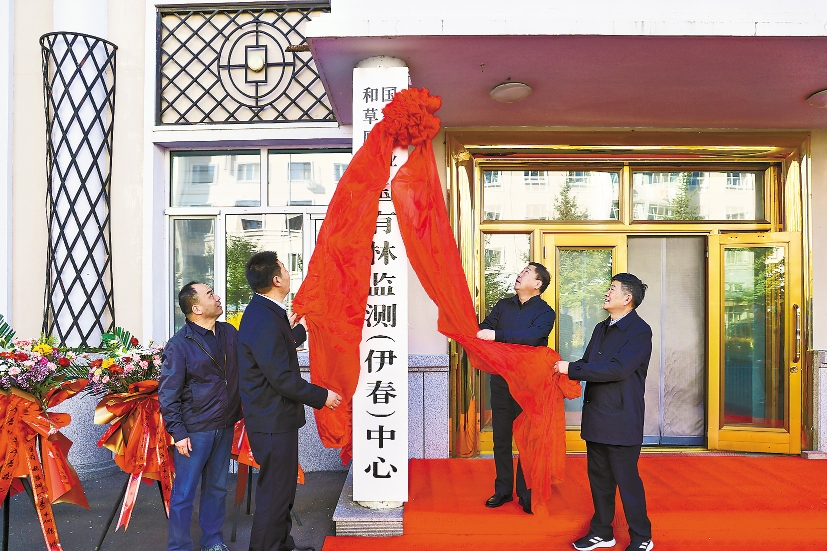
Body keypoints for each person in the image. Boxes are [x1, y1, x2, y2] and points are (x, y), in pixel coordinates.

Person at [238, 251, 342, 551]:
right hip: (271, 421)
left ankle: (282, 544)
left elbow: (273, 351)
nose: (288, 272)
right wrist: (322, 396)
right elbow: (281, 377)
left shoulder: (267, 312)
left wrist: (298, 331)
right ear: (275, 279)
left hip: (275, 419)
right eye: (284, 267)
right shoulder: (264, 319)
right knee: (274, 492)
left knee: (282, 490)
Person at [554, 273, 654, 551]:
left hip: (622, 417)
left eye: (612, 289)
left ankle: (642, 537)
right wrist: (562, 369)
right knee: (599, 479)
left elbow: (618, 369)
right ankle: (601, 532)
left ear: (628, 298)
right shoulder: (601, 327)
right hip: (597, 413)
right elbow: (588, 363)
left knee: (627, 480)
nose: (607, 293)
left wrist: (571, 369)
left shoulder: (639, 331)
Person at [159, 282, 242, 551]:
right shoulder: (179, 345)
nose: (217, 297)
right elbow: (168, 393)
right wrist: (178, 432)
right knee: (184, 492)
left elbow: (256, 353)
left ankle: (212, 540)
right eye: (210, 294)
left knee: (217, 488)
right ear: (196, 308)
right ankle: (179, 547)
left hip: (224, 423)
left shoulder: (229, 333)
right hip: (195, 430)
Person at [477, 262, 555, 515]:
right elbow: (484, 328)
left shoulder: (546, 312)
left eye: (526, 272)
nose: (519, 274)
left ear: (538, 284)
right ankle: (502, 489)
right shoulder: (503, 305)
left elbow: (532, 337)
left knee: (527, 440)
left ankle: (526, 492)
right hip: (502, 381)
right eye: (520, 271)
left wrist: (498, 335)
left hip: (529, 385)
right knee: (501, 438)